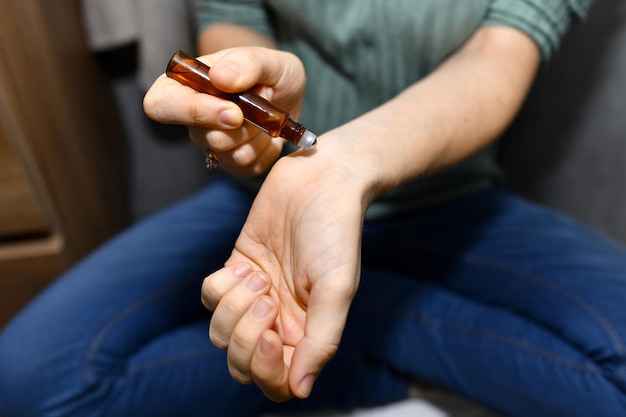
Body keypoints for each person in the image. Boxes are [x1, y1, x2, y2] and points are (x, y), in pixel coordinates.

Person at [1, 1, 625, 416]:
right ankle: (363, 330)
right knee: (29, 384)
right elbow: (230, 17)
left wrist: (345, 165)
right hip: (265, 204)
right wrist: (245, 80)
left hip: (452, 202)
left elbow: (496, 60)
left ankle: (369, 315)